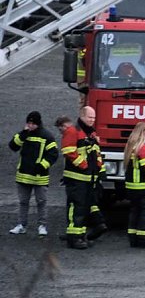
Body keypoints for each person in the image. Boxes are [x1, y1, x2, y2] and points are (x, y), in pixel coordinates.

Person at [61, 106, 107, 249]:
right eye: (89, 117)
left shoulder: (90, 133)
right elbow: (68, 151)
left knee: (84, 209)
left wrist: (99, 170)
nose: (92, 120)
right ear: (82, 116)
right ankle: (73, 238)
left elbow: (96, 153)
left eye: (93, 118)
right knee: (76, 208)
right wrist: (84, 165)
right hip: (77, 178)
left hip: (88, 178)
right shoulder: (73, 131)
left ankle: (81, 236)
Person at [8, 111, 58, 236]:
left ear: (38, 124)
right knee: (23, 202)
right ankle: (21, 225)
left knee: (41, 202)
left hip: (39, 177)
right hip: (23, 175)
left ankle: (42, 225)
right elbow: (13, 146)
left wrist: (42, 166)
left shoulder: (47, 136)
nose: (30, 126)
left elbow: (53, 154)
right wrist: (23, 134)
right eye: (28, 123)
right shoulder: (24, 134)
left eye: (32, 124)